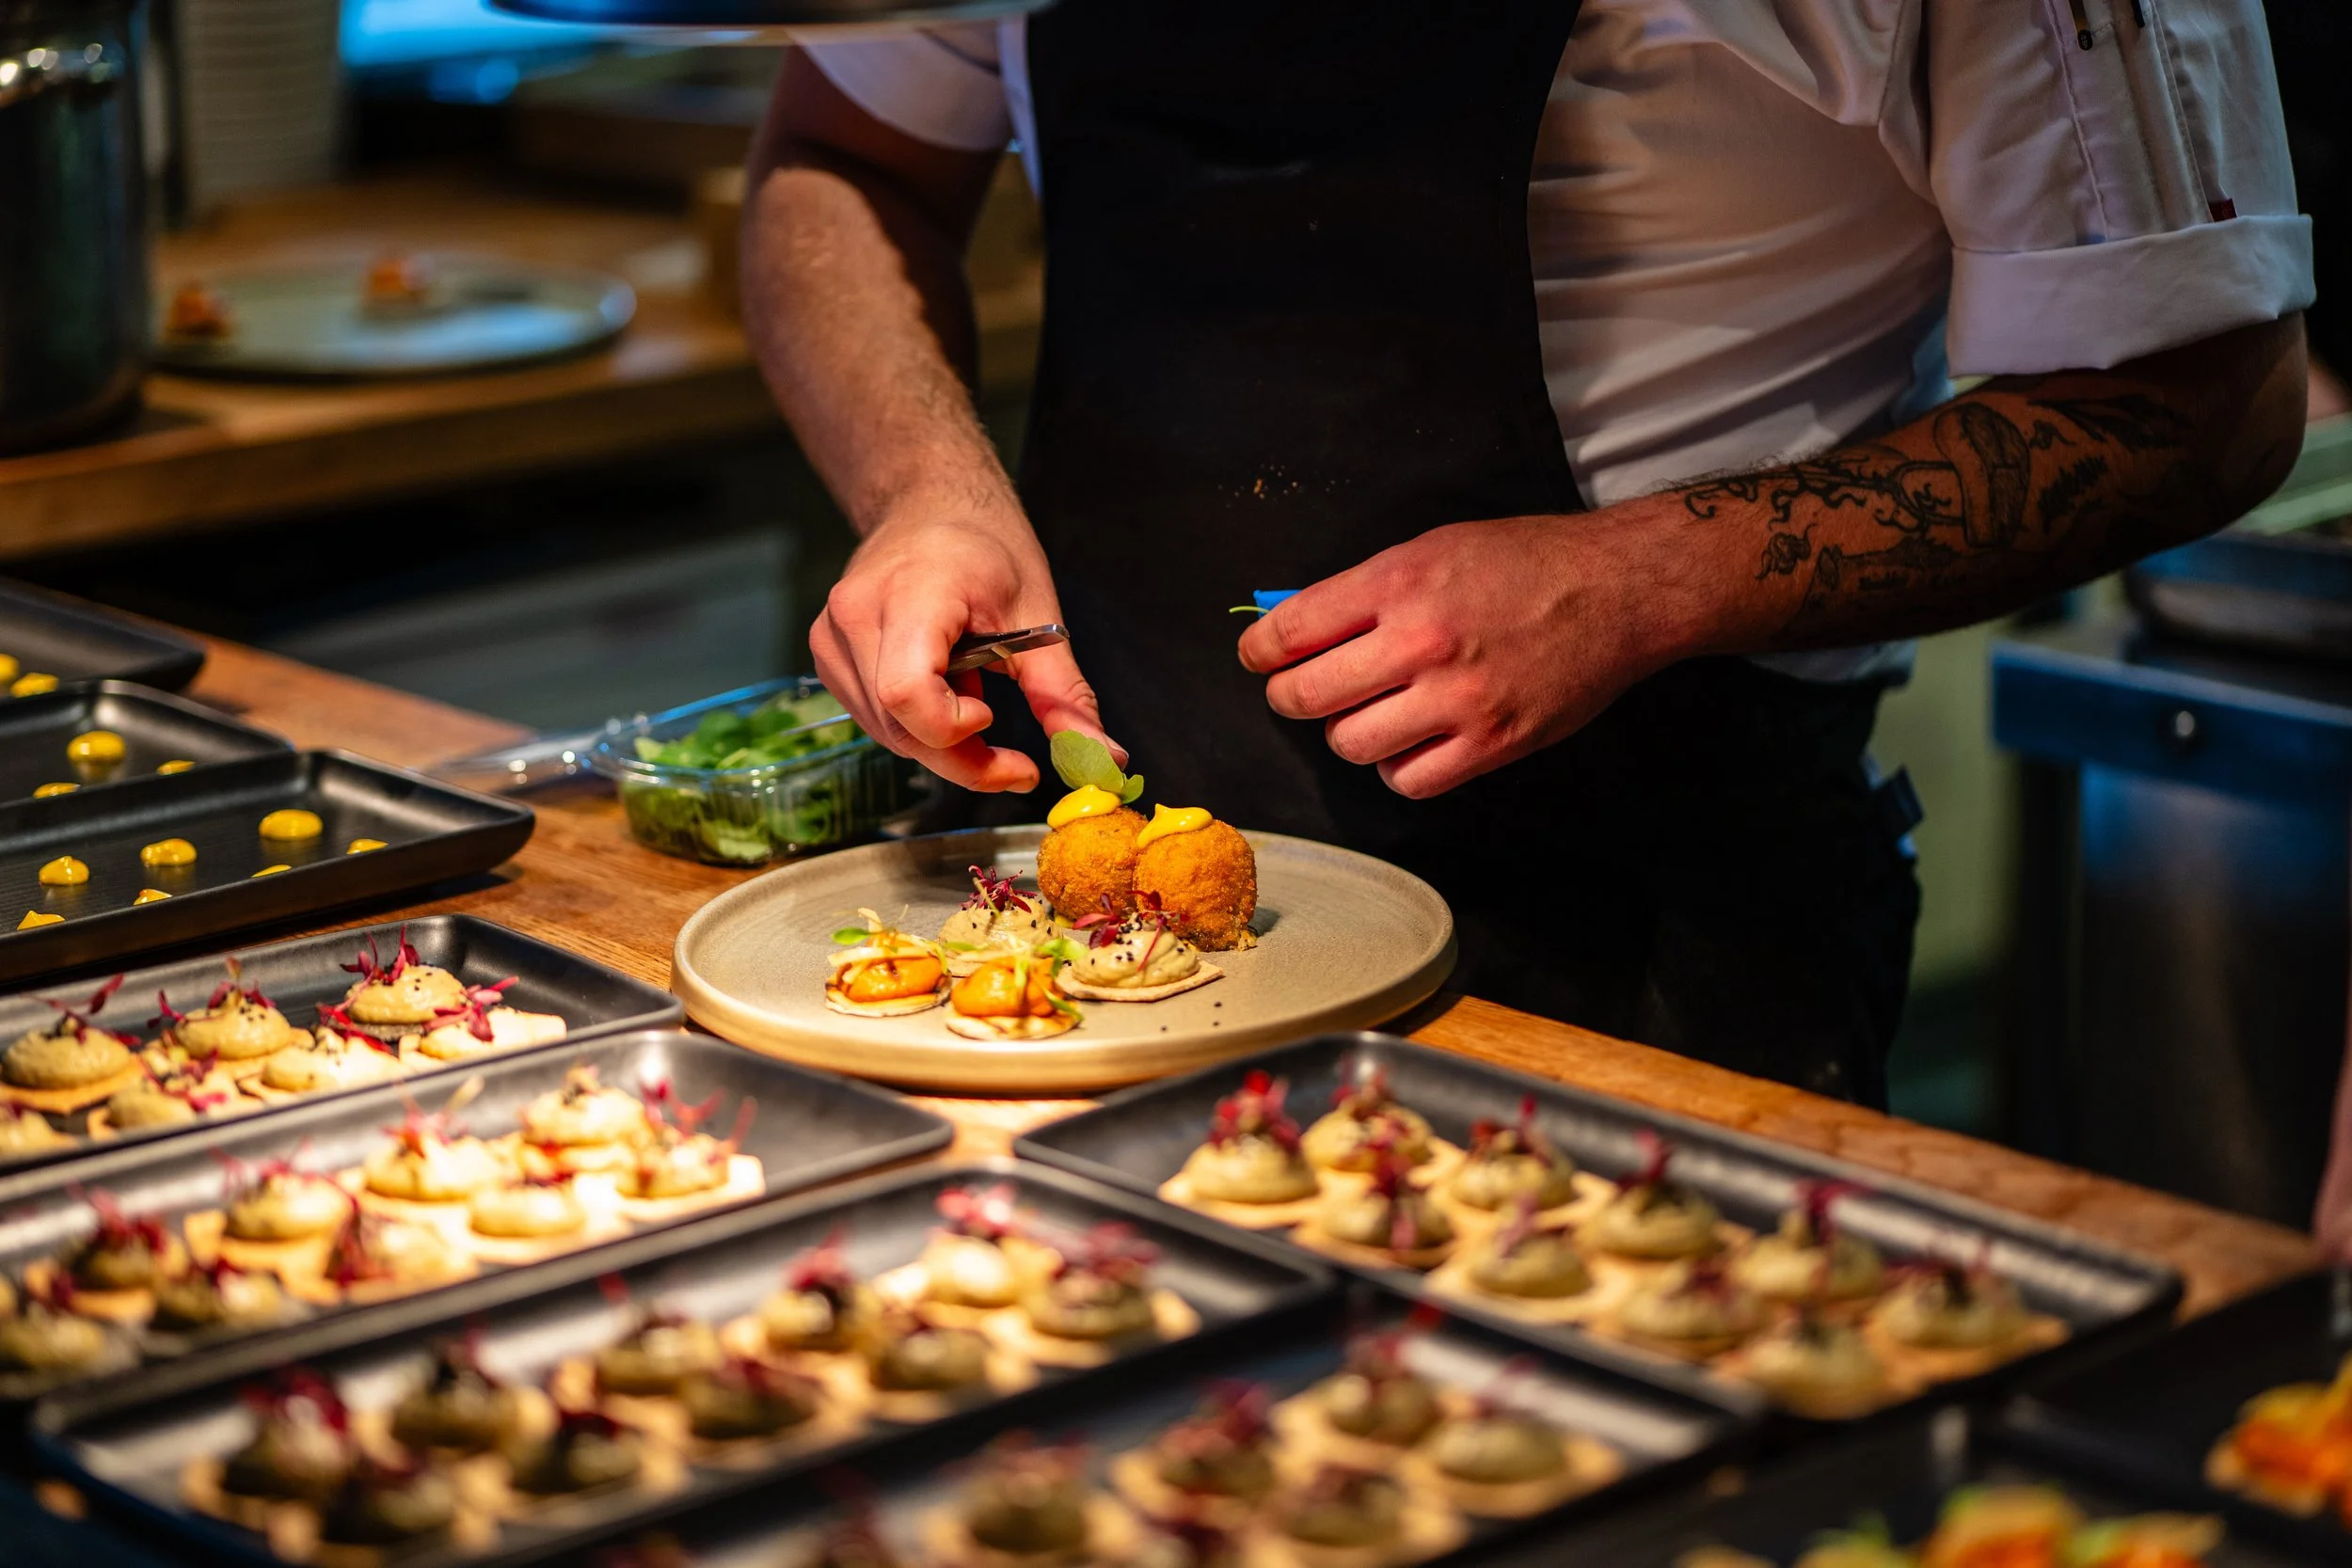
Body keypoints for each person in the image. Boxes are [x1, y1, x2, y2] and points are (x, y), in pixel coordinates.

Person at [740, 0, 2311, 1106]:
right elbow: (846, 159)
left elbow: (2209, 401)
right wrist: (925, 488)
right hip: (1057, 956)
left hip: (1645, 947)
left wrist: (1638, 579)